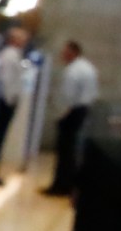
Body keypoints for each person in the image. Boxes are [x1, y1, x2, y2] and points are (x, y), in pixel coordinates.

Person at [41, 39, 98, 197]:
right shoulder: (87, 68)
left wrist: (60, 114)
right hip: (81, 110)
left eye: (65, 52)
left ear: (73, 52)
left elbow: (67, 96)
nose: (62, 55)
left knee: (65, 150)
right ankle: (67, 184)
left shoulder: (73, 71)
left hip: (72, 111)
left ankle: (61, 185)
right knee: (71, 150)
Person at [0, 25, 33, 181]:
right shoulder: (9, 56)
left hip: (7, 101)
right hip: (5, 102)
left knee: (0, 138)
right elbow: (6, 81)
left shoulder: (14, 55)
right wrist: (10, 101)